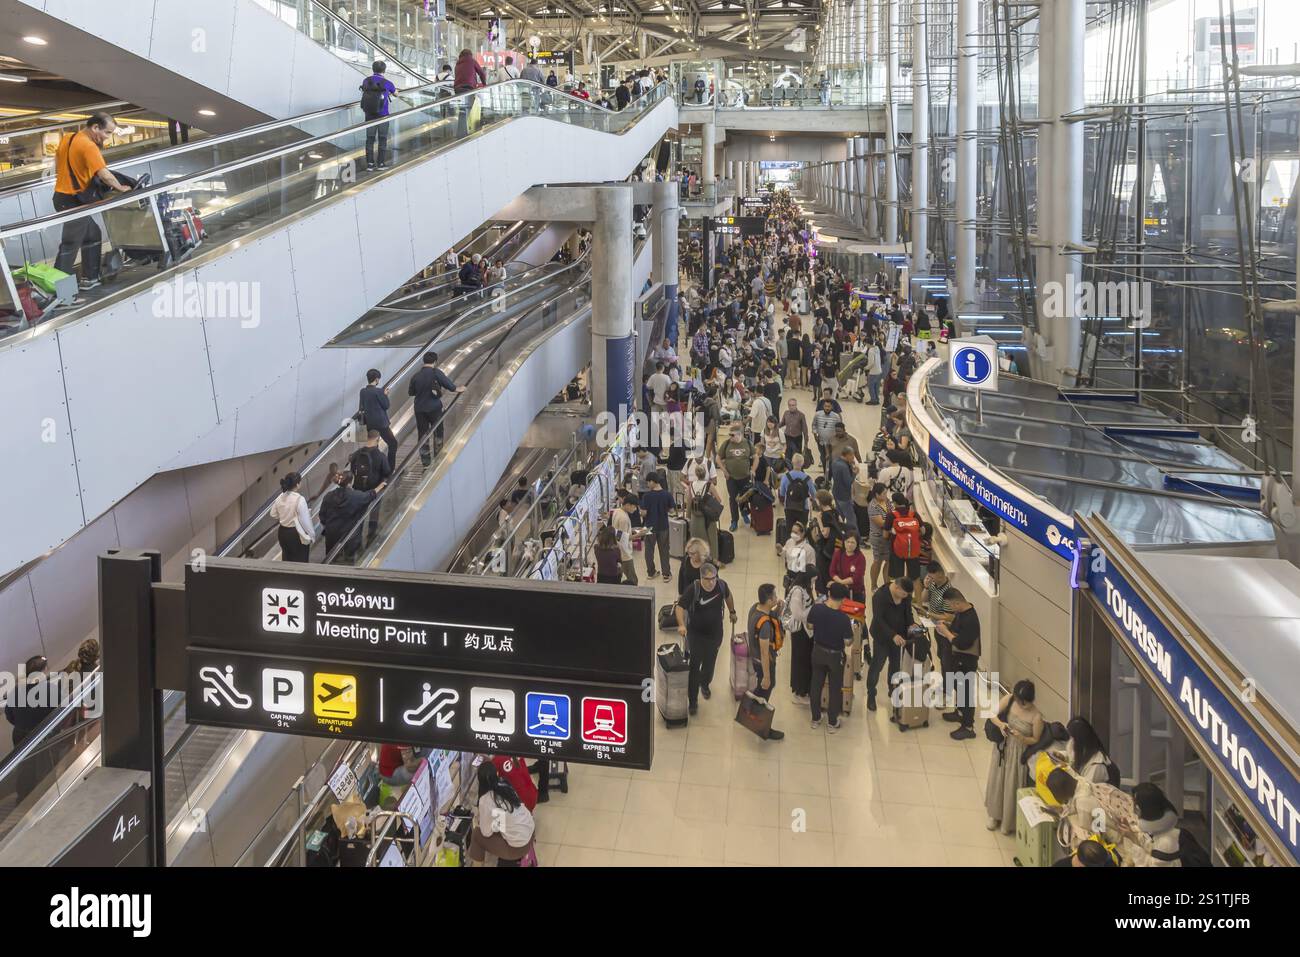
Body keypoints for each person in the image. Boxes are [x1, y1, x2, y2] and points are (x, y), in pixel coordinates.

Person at [52, 113, 132, 290]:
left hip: (62, 197)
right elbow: (105, 175)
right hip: (72, 200)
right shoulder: (89, 146)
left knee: (93, 234)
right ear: (95, 127)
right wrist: (121, 188)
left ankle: (90, 278)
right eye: (107, 132)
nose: (107, 137)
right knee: (70, 245)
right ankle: (59, 292)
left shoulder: (68, 137)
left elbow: (57, 161)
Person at [675, 562, 738, 714]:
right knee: (694, 667)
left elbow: (728, 597)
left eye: (714, 578)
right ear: (701, 577)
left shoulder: (721, 586)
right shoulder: (693, 589)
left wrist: (732, 611)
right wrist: (681, 624)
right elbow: (680, 606)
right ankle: (693, 701)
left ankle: (705, 684)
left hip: (715, 634)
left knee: (710, 664)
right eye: (708, 579)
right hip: (696, 635)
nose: (711, 582)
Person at [985, 679, 1044, 833]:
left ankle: (1008, 821)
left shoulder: (1037, 717)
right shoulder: (1010, 699)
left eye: (1024, 702)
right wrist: (1001, 725)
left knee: (1012, 784)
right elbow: (992, 713)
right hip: (1003, 748)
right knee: (998, 780)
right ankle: (994, 814)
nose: (1021, 704)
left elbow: (1035, 739)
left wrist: (1022, 738)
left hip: (1019, 754)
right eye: (1019, 701)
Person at [807, 582, 855, 732]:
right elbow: (848, 642)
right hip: (835, 657)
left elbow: (809, 626)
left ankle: (815, 718)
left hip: (818, 651)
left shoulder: (817, 608)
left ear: (829, 594)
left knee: (816, 684)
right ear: (842, 600)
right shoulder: (844, 619)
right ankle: (832, 722)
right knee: (835, 688)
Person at [469, 760, 536, 865]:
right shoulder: (505, 784)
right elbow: (504, 815)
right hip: (531, 832)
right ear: (497, 774)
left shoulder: (485, 800)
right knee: (499, 828)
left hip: (518, 848)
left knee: (477, 835)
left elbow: (486, 833)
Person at [937, 589, 980, 739]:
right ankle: (960, 712)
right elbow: (957, 629)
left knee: (966, 693)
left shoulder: (971, 619)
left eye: (950, 605)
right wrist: (947, 625)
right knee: (959, 689)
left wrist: (945, 632)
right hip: (957, 659)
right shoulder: (962, 613)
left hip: (966, 660)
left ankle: (968, 726)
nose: (950, 609)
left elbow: (962, 643)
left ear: (957, 602)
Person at [408, 351, 464, 466]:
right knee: (438, 431)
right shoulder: (436, 373)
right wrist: (458, 389)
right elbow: (450, 386)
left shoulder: (416, 376)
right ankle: (438, 458)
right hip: (434, 408)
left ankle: (426, 462)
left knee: (422, 435)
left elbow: (411, 392)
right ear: (435, 361)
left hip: (420, 409)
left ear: (423, 361)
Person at [866, 577, 913, 712]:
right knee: (877, 665)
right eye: (904, 594)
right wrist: (892, 635)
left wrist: (912, 625)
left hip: (900, 638)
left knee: (895, 666)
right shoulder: (880, 596)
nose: (905, 597)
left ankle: (892, 689)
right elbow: (879, 620)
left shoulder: (905, 596)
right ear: (897, 588)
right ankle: (871, 695)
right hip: (882, 637)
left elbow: (908, 613)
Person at [319, 471, 384, 560]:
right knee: (348, 559)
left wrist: (329, 524)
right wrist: (381, 486)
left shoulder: (328, 495)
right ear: (351, 482)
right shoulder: (356, 496)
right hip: (349, 535)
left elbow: (322, 515)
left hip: (331, 534)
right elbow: (370, 495)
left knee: (330, 558)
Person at [348, 429, 393, 540]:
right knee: (374, 513)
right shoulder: (380, 456)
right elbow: (387, 472)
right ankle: (371, 537)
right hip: (374, 490)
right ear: (378, 440)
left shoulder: (356, 454)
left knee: (359, 516)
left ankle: (356, 539)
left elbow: (352, 471)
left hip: (358, 489)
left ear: (367, 438)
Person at [717, 427, 757, 531]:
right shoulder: (726, 444)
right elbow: (718, 458)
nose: (730, 437)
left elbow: (756, 457)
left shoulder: (747, 443)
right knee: (733, 499)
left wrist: (753, 470)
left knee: (745, 497)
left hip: (745, 477)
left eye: (732, 435)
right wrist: (724, 471)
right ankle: (734, 520)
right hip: (731, 478)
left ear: (740, 435)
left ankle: (744, 514)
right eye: (729, 434)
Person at [359, 60, 396, 171]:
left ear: (373, 69)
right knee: (382, 138)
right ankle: (380, 164)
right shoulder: (388, 83)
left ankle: (370, 164)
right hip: (383, 115)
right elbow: (396, 94)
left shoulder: (366, 80)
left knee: (370, 139)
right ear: (384, 70)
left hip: (369, 114)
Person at [271, 471, 314, 562]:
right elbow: (305, 521)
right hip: (295, 533)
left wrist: (284, 515)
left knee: (287, 557)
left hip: (282, 532)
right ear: (297, 484)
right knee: (300, 559)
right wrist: (311, 535)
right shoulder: (299, 499)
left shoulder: (280, 497)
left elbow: (273, 514)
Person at [640, 472, 674, 582]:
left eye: (648, 482)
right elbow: (672, 510)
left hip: (649, 526)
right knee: (664, 550)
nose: (647, 485)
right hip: (663, 525)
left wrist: (641, 512)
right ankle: (666, 574)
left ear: (652, 482)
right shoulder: (667, 494)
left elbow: (644, 513)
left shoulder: (647, 496)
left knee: (649, 551)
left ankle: (651, 572)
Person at [885, 492, 923, 584]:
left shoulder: (891, 515)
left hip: (896, 550)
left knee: (896, 577)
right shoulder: (914, 514)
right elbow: (923, 531)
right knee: (915, 578)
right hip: (913, 549)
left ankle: (896, 596)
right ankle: (917, 598)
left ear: (894, 503)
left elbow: (885, 535)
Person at [1065, 717, 1116, 784]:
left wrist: (1068, 770)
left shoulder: (1096, 765)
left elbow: (1085, 790)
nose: (1069, 743)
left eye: (1072, 738)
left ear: (1080, 742)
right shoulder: (1082, 756)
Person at [685, 463, 720, 560]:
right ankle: (713, 559)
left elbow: (689, 502)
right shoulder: (709, 485)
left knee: (696, 539)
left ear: (696, 474)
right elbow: (718, 500)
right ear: (705, 474)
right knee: (712, 539)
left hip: (695, 517)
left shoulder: (691, 485)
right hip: (708, 517)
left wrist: (688, 517)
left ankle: (697, 558)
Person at [610, 492, 641, 586]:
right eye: (634, 507)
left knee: (618, 576)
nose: (635, 510)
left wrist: (633, 529)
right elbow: (623, 539)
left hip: (617, 550)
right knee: (633, 580)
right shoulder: (624, 518)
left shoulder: (617, 511)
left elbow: (619, 532)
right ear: (628, 505)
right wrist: (640, 534)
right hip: (624, 553)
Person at [830, 447, 860, 537]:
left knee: (840, 517)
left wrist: (850, 465)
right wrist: (855, 473)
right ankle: (857, 538)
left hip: (836, 493)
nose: (853, 458)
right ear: (847, 455)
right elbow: (848, 482)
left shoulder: (835, 462)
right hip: (844, 496)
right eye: (852, 456)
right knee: (851, 519)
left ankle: (840, 535)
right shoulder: (843, 467)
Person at [829, 532, 867, 603]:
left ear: (857, 544)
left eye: (852, 542)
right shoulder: (838, 553)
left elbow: (857, 577)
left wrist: (841, 582)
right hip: (840, 590)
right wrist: (841, 583)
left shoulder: (860, 558)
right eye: (847, 541)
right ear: (844, 542)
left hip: (856, 591)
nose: (849, 544)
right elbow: (832, 571)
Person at [811, 398, 841, 471]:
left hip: (832, 444)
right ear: (823, 406)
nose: (827, 408)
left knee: (832, 459)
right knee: (823, 458)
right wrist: (815, 435)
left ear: (832, 407)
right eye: (825, 406)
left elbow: (840, 428)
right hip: (821, 442)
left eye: (829, 406)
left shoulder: (836, 417)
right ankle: (826, 474)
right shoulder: (818, 415)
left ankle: (830, 473)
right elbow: (814, 425)